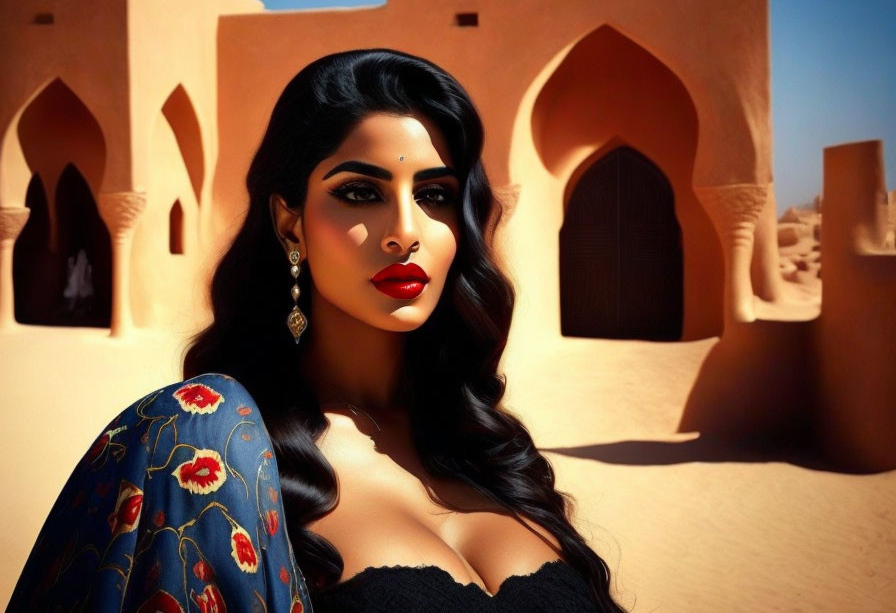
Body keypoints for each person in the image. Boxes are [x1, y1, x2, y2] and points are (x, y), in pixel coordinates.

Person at [8, 49, 627, 612]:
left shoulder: (487, 449)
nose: (405, 231)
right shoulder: (204, 443)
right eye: (360, 192)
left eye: (436, 195)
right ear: (290, 223)